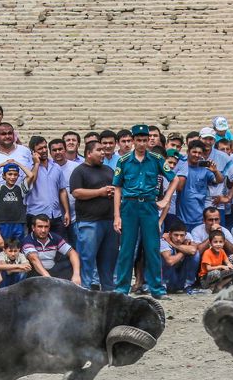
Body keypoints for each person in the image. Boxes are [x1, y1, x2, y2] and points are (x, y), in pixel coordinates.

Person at [112, 124, 178, 300]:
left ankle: (157, 289)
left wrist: (165, 200)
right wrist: (117, 216)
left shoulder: (156, 159)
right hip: (129, 206)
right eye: (138, 140)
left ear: (149, 140)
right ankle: (122, 289)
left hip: (149, 205)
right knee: (126, 249)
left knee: (152, 247)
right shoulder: (123, 161)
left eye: (144, 140)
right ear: (133, 141)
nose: (142, 144)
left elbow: (175, 179)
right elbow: (117, 188)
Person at [70, 140, 118, 290]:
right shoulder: (79, 171)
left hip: (109, 221)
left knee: (109, 260)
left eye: (103, 150)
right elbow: (76, 192)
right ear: (89, 153)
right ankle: (85, 290)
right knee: (87, 259)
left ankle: (109, 291)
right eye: (99, 150)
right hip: (89, 223)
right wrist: (100, 192)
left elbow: (117, 188)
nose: (103, 152)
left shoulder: (108, 170)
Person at [0, 122, 34, 220]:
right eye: (3, 134)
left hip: (20, 205)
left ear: (14, 134)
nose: (7, 136)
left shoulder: (25, 151)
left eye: (10, 133)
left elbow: (31, 175)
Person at [26, 135, 70, 235]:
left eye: (45, 147)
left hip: (56, 215)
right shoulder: (28, 168)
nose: (44, 150)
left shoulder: (56, 167)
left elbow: (62, 191)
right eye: (40, 148)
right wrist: (36, 164)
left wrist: (67, 211)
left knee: (60, 243)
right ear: (33, 152)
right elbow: (30, 182)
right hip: (36, 216)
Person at [174, 140, 222, 231]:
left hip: (199, 218)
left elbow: (219, 180)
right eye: (194, 152)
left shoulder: (205, 169)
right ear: (188, 152)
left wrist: (215, 171)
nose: (197, 155)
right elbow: (178, 187)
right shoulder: (180, 165)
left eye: (199, 153)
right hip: (181, 217)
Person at [22, 213, 80, 284]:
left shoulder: (55, 238)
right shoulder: (28, 240)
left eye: (46, 227)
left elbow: (72, 253)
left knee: (69, 263)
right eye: (40, 227)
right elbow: (34, 259)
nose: (43, 230)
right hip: (35, 273)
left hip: (52, 270)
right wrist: (49, 279)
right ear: (33, 228)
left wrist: (76, 274)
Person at [0, 162, 30, 245]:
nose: (12, 177)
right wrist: (1, 164)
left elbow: (30, 175)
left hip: (18, 222)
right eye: (9, 174)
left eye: (15, 174)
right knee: (5, 244)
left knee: (19, 244)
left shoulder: (20, 188)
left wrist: (18, 164)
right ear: (4, 176)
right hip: (4, 223)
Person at [160, 219, 198, 294]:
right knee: (168, 256)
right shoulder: (163, 240)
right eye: (176, 235)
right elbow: (170, 261)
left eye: (181, 235)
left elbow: (193, 250)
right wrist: (184, 251)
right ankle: (164, 286)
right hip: (168, 278)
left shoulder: (187, 236)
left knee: (196, 255)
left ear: (185, 234)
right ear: (170, 234)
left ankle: (187, 285)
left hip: (181, 275)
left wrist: (172, 244)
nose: (179, 238)